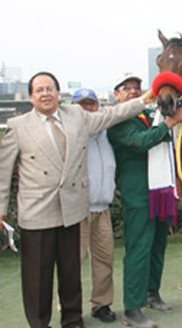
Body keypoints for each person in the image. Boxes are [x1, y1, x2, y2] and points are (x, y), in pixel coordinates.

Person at [0, 71, 151, 328]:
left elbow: (111, 115)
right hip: (36, 212)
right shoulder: (18, 126)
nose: (46, 94)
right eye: (40, 90)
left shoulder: (77, 116)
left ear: (59, 93)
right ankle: (39, 323)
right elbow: (3, 171)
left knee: (71, 273)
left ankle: (72, 320)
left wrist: (146, 99)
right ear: (31, 97)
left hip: (73, 208)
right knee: (38, 276)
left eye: (50, 89)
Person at [107, 72, 182, 328]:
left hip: (161, 190)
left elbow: (168, 144)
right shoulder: (118, 120)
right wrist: (170, 122)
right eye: (126, 87)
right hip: (139, 194)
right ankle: (132, 309)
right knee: (139, 250)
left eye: (137, 86)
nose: (133, 90)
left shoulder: (151, 114)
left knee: (157, 246)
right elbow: (141, 142)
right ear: (116, 94)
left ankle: (152, 293)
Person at [71, 88, 117, 323]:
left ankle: (101, 304)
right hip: (78, 209)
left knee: (104, 261)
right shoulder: (71, 132)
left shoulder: (105, 130)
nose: (88, 108)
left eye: (91, 104)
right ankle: (70, 310)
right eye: (82, 105)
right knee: (73, 263)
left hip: (103, 207)